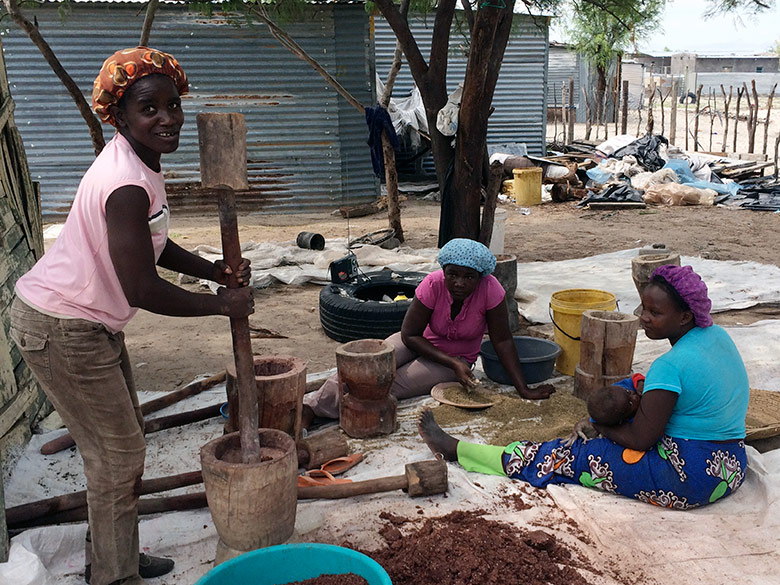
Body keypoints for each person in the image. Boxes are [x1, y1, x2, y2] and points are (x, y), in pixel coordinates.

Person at [9, 47, 254, 585]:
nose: (167, 119)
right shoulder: (123, 183)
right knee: (117, 456)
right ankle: (115, 576)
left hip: (90, 321)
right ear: (120, 116)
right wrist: (221, 305)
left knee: (121, 449)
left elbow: (153, 245)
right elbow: (142, 286)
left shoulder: (140, 161)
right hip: (62, 326)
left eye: (173, 105)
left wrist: (213, 270)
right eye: (149, 109)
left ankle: (113, 553)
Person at [419, 264, 750, 509]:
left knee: (571, 455)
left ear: (684, 317)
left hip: (685, 479)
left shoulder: (670, 366)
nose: (643, 317)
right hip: (729, 468)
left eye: (655, 312)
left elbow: (641, 439)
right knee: (631, 388)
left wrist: (598, 426)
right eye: (643, 308)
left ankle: (462, 451)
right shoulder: (716, 336)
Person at [302, 238, 555, 427]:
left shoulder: (492, 291)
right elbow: (410, 334)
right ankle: (311, 409)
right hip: (417, 343)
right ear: (443, 271)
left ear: (481, 277)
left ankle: (347, 411)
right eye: (453, 274)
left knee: (389, 384)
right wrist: (450, 362)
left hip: (457, 359)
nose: (459, 282)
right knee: (367, 365)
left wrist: (523, 388)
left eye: (469, 277)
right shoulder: (433, 284)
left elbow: (502, 341)